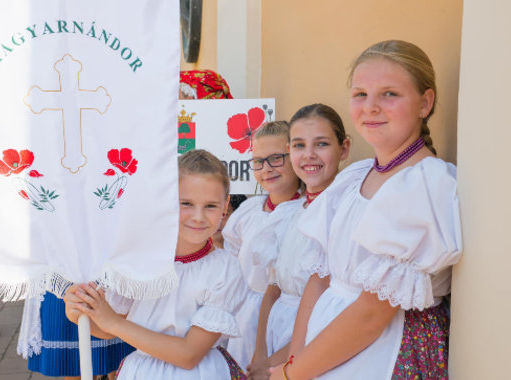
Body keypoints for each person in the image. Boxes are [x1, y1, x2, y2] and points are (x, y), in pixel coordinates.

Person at [274, 40, 463, 380]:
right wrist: (295, 360)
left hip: (384, 353)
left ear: (425, 102)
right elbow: (320, 278)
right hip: (321, 354)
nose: (371, 107)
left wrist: (292, 374)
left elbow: (370, 317)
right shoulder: (353, 177)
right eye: (360, 94)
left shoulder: (425, 185)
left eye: (389, 94)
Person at [65, 149, 248, 380]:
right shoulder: (140, 261)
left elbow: (189, 355)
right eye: (187, 203)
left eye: (210, 206)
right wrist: (80, 313)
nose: (199, 216)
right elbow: (107, 329)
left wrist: (113, 323)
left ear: (225, 205)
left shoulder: (225, 270)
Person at [248, 104, 350, 380]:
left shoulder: (343, 214)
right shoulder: (292, 213)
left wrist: (278, 361)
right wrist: (259, 354)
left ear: (344, 149)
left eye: (322, 144)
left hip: (307, 344)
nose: (309, 155)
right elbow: (274, 288)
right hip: (273, 338)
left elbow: (331, 307)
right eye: (299, 145)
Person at [223, 121, 302, 370]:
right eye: (258, 161)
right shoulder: (249, 209)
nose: (266, 169)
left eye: (276, 158)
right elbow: (231, 259)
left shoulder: (304, 214)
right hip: (242, 315)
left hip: (285, 318)